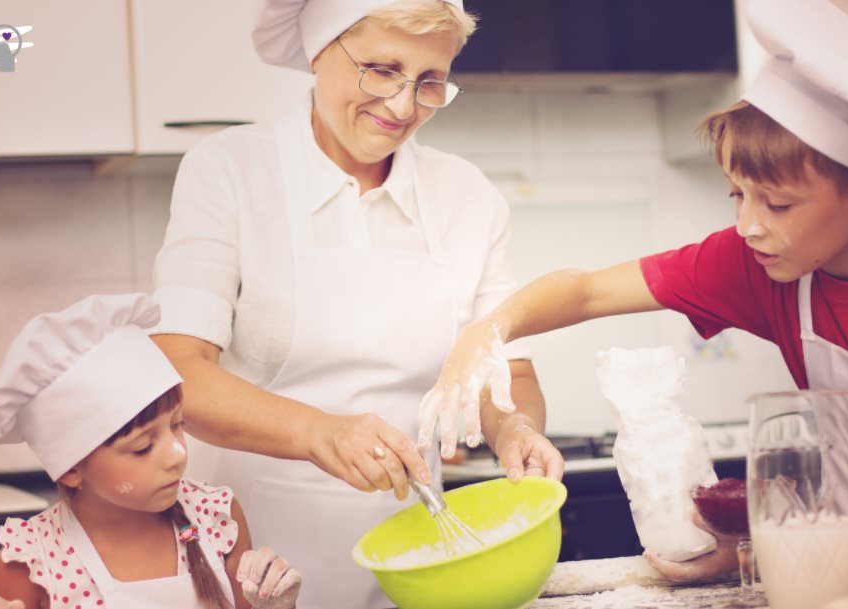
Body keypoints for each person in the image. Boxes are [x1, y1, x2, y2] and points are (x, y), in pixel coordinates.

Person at [418, 0, 848, 583]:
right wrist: (485, 332)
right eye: (737, 194)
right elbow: (588, 291)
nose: (749, 224)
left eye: (777, 202)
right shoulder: (763, 258)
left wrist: (769, 551)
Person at [148, 1, 564, 607]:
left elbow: (508, 373)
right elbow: (178, 375)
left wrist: (516, 431)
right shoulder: (230, 173)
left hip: (422, 557)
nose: (402, 105)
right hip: (250, 561)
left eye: (430, 82)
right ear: (320, 53)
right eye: (381, 68)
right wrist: (318, 432)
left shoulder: (466, 196)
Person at [0, 293, 302, 609]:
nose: (177, 454)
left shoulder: (218, 519)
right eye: (142, 447)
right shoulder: (32, 559)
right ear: (71, 469)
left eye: (177, 425)